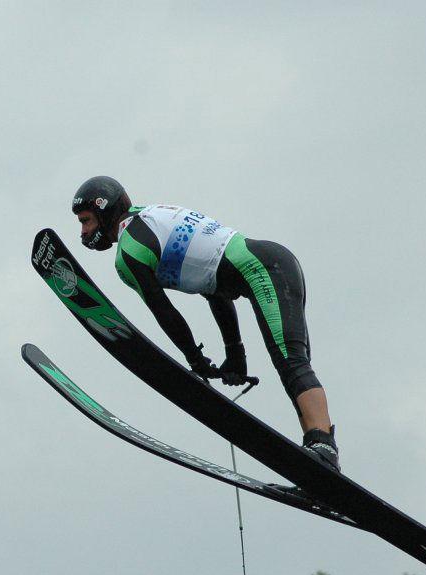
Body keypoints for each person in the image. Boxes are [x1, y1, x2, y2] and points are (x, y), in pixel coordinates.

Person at [71, 175, 340, 472]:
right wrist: (235, 355)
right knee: (292, 366)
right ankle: (317, 450)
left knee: (292, 363)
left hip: (263, 269)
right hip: (272, 261)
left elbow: (164, 312)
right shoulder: (152, 215)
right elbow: (214, 288)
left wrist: (194, 358)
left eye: (85, 221)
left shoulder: (130, 252)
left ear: (103, 209)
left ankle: (323, 448)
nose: (83, 231)